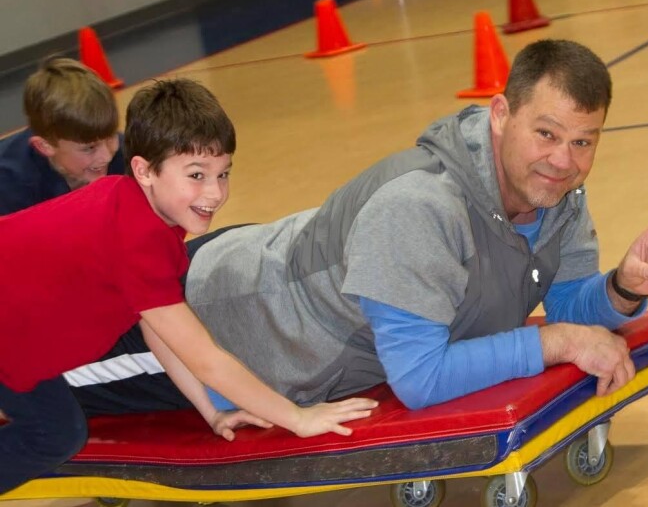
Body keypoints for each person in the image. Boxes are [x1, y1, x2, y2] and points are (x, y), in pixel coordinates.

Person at [70, 39, 648, 418]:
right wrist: (559, 343)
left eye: (584, 142)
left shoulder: (557, 192)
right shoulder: (422, 206)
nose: (564, 159)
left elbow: (567, 303)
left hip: (283, 268)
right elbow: (421, 380)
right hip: (219, 317)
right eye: (547, 134)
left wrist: (624, 288)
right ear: (501, 114)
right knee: (29, 376)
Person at [0, 79, 376, 495]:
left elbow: (156, 330)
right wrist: (299, 418)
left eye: (223, 173)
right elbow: (206, 359)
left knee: (56, 431)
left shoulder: (140, 210)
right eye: (196, 175)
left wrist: (211, 412)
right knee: (54, 435)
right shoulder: (136, 237)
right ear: (144, 169)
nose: (214, 192)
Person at [0, 58, 125, 215]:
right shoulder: (9, 189)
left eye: (110, 137)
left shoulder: (127, 152)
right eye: (90, 148)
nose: (106, 156)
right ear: (45, 146)